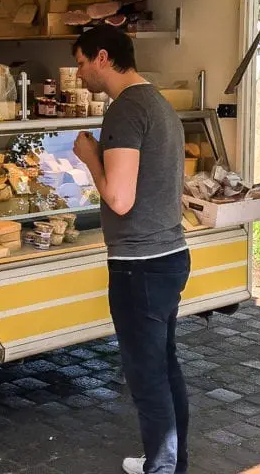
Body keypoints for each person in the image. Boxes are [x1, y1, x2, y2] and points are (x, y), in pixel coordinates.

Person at [70, 25, 190, 474]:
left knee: (147, 379)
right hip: (169, 254)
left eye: (81, 63)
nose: (79, 74)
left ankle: (162, 468)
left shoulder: (124, 111)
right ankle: (170, 463)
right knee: (165, 368)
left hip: (139, 265)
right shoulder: (158, 103)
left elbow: (119, 199)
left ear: (103, 58)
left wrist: (89, 158)